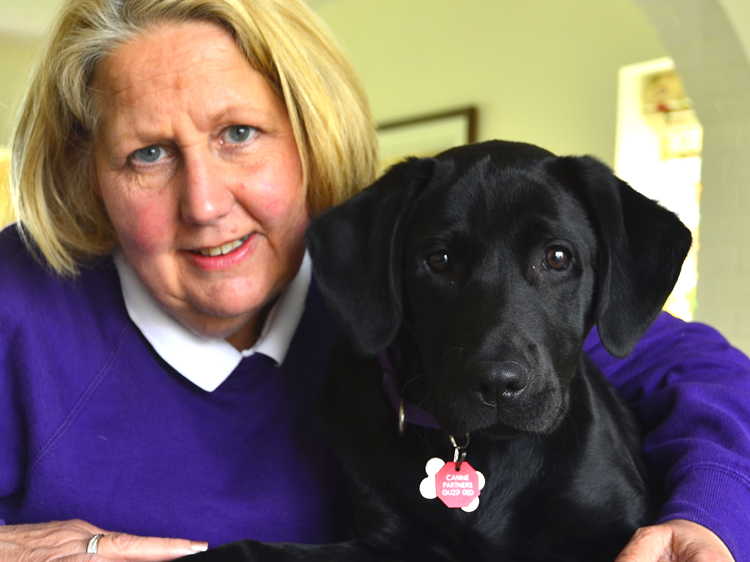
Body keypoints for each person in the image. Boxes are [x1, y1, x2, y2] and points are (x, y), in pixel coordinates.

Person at [0, 0, 747, 560]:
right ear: (84, 171)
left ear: (309, 134)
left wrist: (706, 513)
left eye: (239, 134)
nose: (203, 203)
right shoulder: (19, 309)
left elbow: (702, 371)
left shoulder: (379, 276)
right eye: (148, 154)